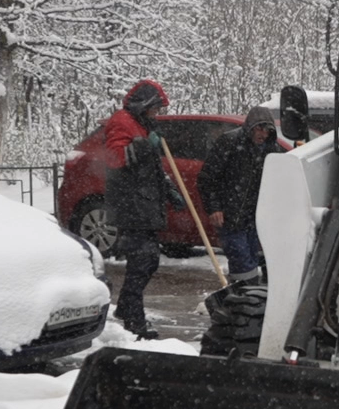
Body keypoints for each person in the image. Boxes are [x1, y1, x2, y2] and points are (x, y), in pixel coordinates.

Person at [103, 79, 182, 338]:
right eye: (155, 108)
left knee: (147, 262)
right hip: (131, 205)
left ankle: (126, 308)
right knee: (143, 260)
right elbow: (116, 158)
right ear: (143, 105)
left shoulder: (141, 124)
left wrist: (168, 188)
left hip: (144, 204)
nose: (157, 114)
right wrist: (146, 145)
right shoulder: (122, 122)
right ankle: (134, 319)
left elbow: (151, 167)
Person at [198, 105, 282, 283]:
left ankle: (245, 293)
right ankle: (243, 295)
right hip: (231, 216)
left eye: (267, 130)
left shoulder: (271, 150)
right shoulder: (229, 143)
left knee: (251, 258)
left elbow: (277, 183)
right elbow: (208, 178)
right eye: (259, 129)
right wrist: (214, 208)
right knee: (242, 261)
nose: (263, 134)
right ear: (250, 127)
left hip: (255, 218)